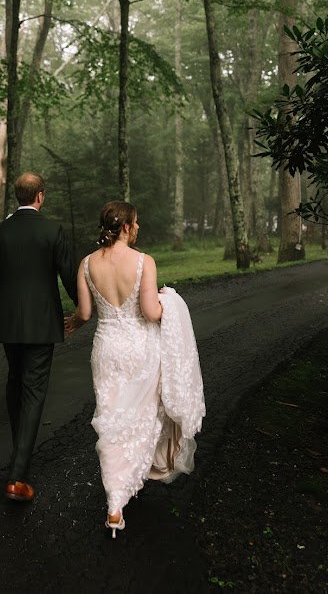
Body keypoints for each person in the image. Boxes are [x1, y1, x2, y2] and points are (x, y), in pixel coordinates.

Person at [65, 200, 205, 537]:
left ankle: (116, 503)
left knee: (111, 418)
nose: (139, 227)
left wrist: (68, 324)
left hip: (107, 348)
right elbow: (152, 312)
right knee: (140, 415)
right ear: (126, 226)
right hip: (140, 350)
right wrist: (168, 297)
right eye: (136, 222)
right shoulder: (144, 262)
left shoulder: (86, 264)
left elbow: (84, 314)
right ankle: (126, 483)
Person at [0, 172, 77, 502]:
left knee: (15, 381)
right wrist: (84, 309)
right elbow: (68, 275)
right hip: (41, 323)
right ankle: (17, 477)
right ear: (40, 196)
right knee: (34, 391)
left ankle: (19, 450)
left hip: (9, 322)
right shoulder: (52, 230)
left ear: (18, 197)